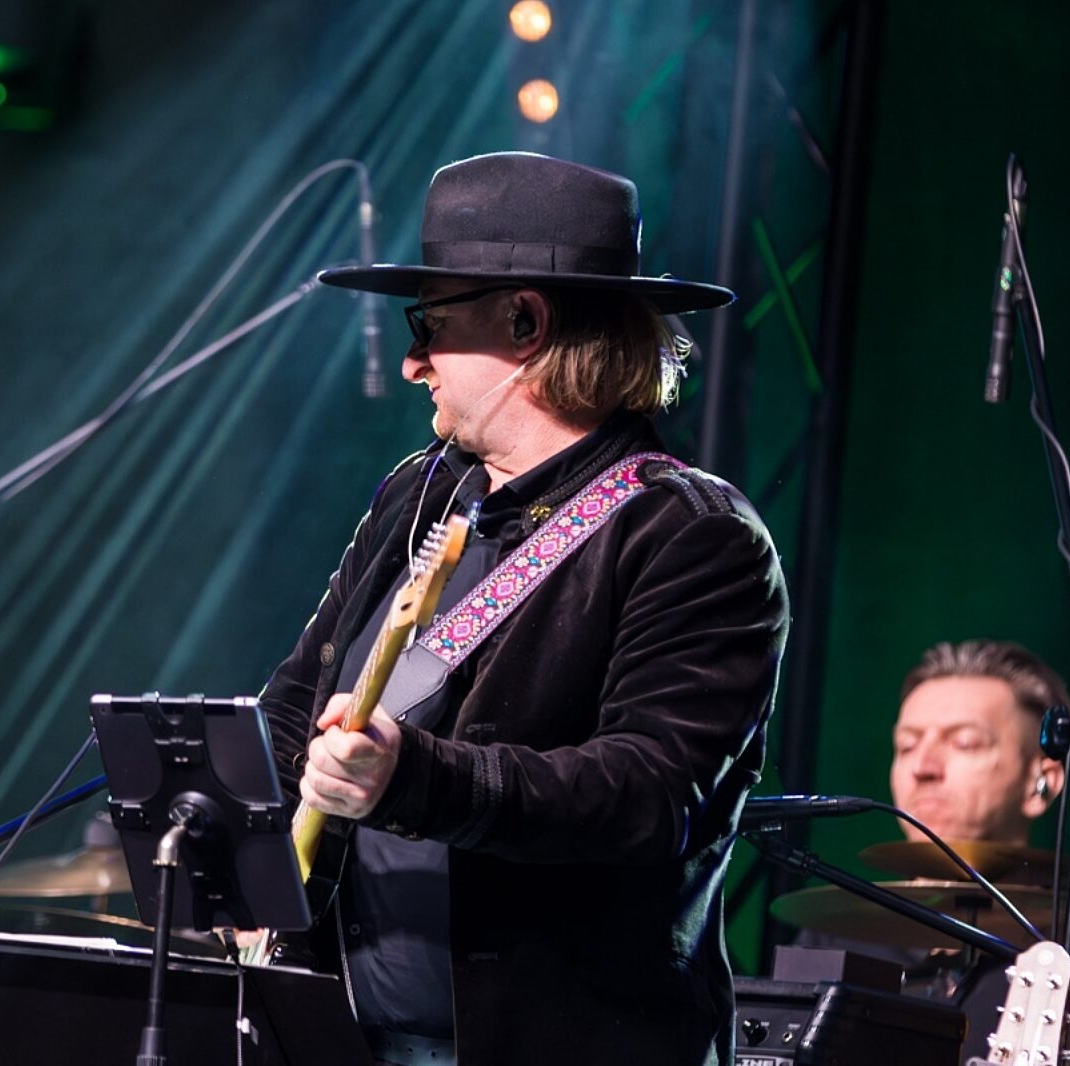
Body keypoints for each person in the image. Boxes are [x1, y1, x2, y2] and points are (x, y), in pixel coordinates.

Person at [257, 152, 790, 1066]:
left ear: (525, 322)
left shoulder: (691, 533)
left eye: (431, 324)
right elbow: (296, 704)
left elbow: (648, 795)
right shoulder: (419, 494)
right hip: (341, 1041)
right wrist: (239, 847)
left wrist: (413, 779)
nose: (414, 362)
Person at [796, 640, 1070, 1063]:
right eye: (906, 746)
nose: (923, 767)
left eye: (964, 743)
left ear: (1041, 783)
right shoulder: (831, 941)